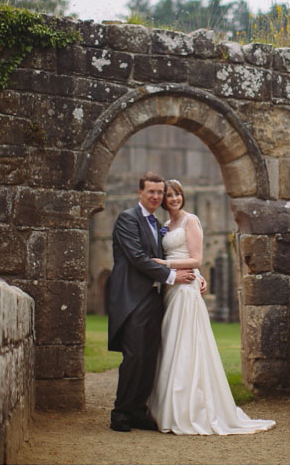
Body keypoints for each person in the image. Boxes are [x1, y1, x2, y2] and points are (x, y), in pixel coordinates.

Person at [148, 179, 276, 435]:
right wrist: (187, 271)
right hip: (171, 288)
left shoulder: (190, 221)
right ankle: (167, 406)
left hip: (184, 289)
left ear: (183, 196)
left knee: (186, 344)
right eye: (169, 196)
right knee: (169, 343)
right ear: (163, 200)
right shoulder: (164, 226)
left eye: (177, 194)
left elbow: (197, 257)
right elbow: (191, 262)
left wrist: (164, 264)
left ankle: (188, 408)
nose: (173, 199)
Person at [106, 172, 198, 433]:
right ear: (140, 193)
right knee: (134, 356)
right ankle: (121, 412)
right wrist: (173, 276)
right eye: (152, 192)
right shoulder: (127, 219)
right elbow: (137, 257)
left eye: (160, 192)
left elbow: (177, 254)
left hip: (154, 298)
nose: (157, 196)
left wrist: (195, 278)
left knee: (149, 357)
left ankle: (137, 410)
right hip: (132, 298)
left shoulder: (159, 223)